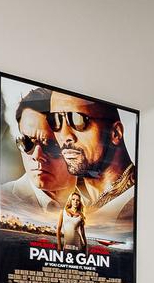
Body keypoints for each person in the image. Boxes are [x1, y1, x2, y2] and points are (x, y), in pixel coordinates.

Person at [51, 93, 135, 234]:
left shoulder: (133, 204)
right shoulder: (69, 196)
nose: (65, 136)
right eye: (55, 121)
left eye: (78, 120)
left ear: (115, 133)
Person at [0, 87, 76, 222]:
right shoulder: (0, 200)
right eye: (26, 142)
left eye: (52, 145)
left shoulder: (104, 204)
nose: (37, 155)